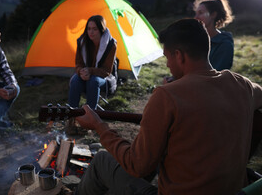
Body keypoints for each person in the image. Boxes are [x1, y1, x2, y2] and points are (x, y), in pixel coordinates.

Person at [74, 19, 262, 195]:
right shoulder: (242, 84)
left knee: (101, 161)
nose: (167, 65)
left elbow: (137, 165)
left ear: (179, 55)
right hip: (234, 189)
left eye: (167, 57)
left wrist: (99, 127)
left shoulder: (167, 96)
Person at [68, 15, 117, 110]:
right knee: (75, 80)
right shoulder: (82, 42)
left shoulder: (111, 44)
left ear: (101, 29)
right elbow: (78, 64)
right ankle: (71, 116)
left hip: (104, 78)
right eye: (89, 29)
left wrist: (89, 71)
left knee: (93, 81)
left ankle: (90, 116)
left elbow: (106, 71)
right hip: (85, 75)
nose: (91, 32)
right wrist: (81, 72)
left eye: (95, 29)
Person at [194, 0, 234, 70]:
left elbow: (217, 74)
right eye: (196, 13)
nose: (196, 17)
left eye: (200, 13)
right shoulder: (194, 40)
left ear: (213, 15)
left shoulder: (224, 44)